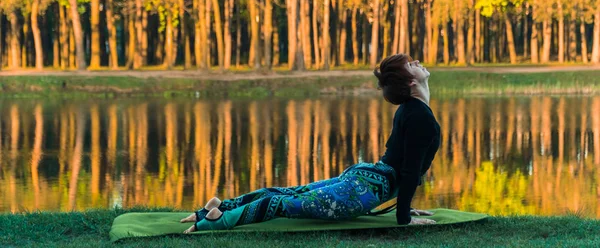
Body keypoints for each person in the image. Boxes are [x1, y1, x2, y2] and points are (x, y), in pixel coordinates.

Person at [180, 53, 441, 233]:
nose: (417, 62)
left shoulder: (409, 110)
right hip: (364, 190)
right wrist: (403, 218)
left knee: (285, 193)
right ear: (411, 81)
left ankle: (216, 207)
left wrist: (404, 205)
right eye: (412, 64)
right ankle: (216, 222)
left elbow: (401, 164)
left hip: (365, 178)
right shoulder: (419, 116)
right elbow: (407, 171)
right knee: (284, 203)